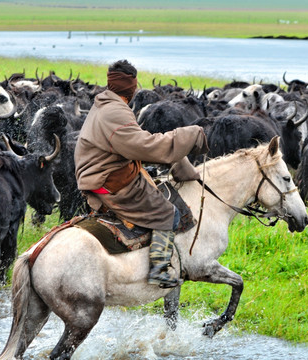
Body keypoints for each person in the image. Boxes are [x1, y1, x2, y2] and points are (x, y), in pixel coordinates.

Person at [74, 59, 208, 288]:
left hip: (98, 172)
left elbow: (131, 143)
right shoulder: (116, 111)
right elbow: (145, 146)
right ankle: (159, 269)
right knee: (167, 212)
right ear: (131, 87)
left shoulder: (103, 104)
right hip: (110, 180)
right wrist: (189, 135)